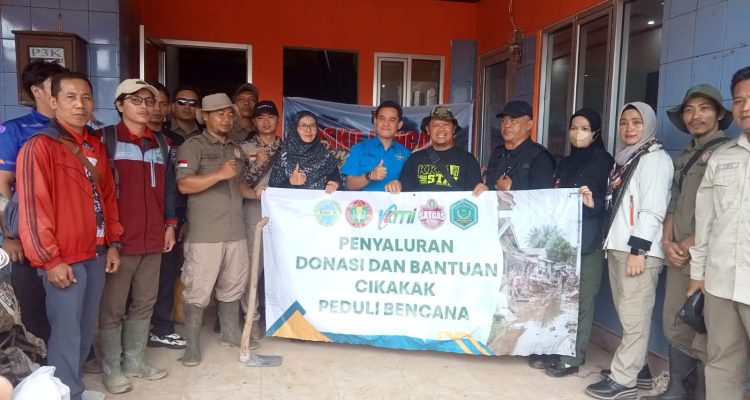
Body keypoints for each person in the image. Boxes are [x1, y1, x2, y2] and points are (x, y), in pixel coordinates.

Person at [17, 71, 124, 400]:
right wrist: (50, 260)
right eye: (71, 97)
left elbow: (108, 198)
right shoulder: (40, 146)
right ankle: (65, 393)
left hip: (96, 252)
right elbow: (34, 210)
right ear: (53, 101)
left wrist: (113, 243)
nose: (80, 105)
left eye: (86, 97)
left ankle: (72, 388)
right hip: (64, 257)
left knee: (85, 329)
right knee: (66, 333)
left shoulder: (95, 145)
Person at [643, 85, 732, 400]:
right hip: (678, 256)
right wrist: (667, 242)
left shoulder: (727, 154)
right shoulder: (683, 156)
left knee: (703, 329)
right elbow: (674, 203)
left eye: (704, 108)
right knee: (675, 322)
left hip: (706, 259)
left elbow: (723, 210)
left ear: (719, 114)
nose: (696, 115)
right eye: (689, 109)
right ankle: (678, 389)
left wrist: (689, 244)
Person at [585, 102, 673, 400]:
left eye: (637, 122)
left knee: (635, 318)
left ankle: (624, 381)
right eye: (624, 122)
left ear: (648, 125)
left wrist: (639, 249)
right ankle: (640, 371)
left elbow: (653, 209)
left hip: (638, 251)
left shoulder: (655, 160)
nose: (629, 128)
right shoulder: (627, 159)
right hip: (621, 247)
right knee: (629, 315)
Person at [95, 79, 176, 393]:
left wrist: (170, 224)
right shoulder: (106, 140)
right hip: (120, 240)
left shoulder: (161, 143)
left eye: (149, 101)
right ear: (119, 105)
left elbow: (168, 189)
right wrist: (110, 241)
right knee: (112, 307)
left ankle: (135, 361)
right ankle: (111, 368)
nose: (145, 107)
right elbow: (99, 194)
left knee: (145, 302)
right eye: (136, 100)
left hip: (153, 237)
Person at [176, 93, 256, 366]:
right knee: (198, 288)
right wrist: (218, 174)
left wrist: (259, 194)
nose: (226, 118)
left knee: (234, 284)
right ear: (205, 117)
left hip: (236, 230)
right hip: (206, 232)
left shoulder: (236, 149)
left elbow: (239, 186)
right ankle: (192, 346)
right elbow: (184, 185)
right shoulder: (193, 146)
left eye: (230, 114)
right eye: (220, 113)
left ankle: (230, 333)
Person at [689, 66, 750, 400]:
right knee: (722, 365)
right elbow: (706, 223)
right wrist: (698, 275)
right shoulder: (722, 159)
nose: (745, 107)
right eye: (739, 100)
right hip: (721, 283)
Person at [543, 109, 614, 378]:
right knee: (561, 296)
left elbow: (611, 201)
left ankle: (573, 357)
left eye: (584, 128)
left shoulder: (604, 161)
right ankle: (555, 347)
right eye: (574, 128)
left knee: (583, 299)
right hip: (563, 240)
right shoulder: (565, 162)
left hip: (589, 241)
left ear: (595, 132)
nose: (578, 133)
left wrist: (592, 203)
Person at [0, 60, 67, 344]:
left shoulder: (76, 130)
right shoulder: (15, 130)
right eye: (56, 86)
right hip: (30, 233)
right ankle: (40, 360)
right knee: (34, 304)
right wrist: (9, 235)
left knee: (69, 303)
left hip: (68, 232)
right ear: (37, 91)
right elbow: (2, 184)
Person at [146, 82, 188, 350]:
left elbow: (179, 184)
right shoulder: (118, 138)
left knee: (166, 275)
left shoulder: (176, 141)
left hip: (171, 219)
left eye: (162, 103)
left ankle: (161, 327)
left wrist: (179, 221)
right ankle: (133, 333)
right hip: (136, 221)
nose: (156, 108)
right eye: (151, 102)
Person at [239, 100, 282, 341]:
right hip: (254, 211)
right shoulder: (243, 148)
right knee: (254, 265)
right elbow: (237, 183)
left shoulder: (287, 147)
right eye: (261, 118)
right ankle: (251, 318)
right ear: (254, 122)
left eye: (271, 117)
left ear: (277, 120)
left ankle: (281, 315)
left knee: (282, 264)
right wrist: (259, 164)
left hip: (283, 214)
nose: (266, 122)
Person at [396, 106, 486, 195]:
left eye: (446, 124)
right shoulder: (414, 159)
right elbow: (404, 194)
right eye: (435, 125)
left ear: (454, 129)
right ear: (428, 130)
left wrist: (483, 190)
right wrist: (396, 185)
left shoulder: (468, 160)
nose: (441, 129)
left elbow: (476, 196)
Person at [484, 100, 556, 191]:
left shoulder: (539, 157)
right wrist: (485, 189)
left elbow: (544, 197)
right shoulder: (497, 153)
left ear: (529, 125)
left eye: (513, 121)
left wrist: (512, 189)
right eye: (503, 120)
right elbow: (490, 185)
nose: (507, 125)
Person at [342, 100, 411, 193]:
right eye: (382, 118)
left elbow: (412, 185)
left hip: (394, 202)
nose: (386, 124)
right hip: (364, 203)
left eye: (392, 120)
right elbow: (349, 185)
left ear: (399, 124)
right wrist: (370, 175)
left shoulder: (406, 154)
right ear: (375, 121)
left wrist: (400, 184)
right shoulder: (359, 149)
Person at [268, 111, 341, 193]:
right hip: (290, 201)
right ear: (295, 128)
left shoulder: (326, 156)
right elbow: (272, 191)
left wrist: (335, 184)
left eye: (312, 126)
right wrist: (290, 182)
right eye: (303, 126)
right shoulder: (284, 156)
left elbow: (337, 181)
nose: (308, 130)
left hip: (318, 201)